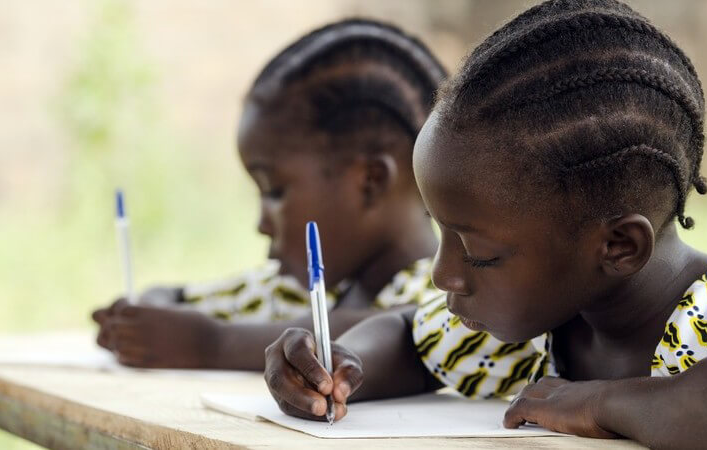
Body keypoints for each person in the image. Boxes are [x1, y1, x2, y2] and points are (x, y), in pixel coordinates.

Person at [262, 2, 707, 448]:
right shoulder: (548, 318)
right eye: (441, 231)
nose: (442, 275)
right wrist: (338, 367)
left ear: (619, 245)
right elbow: (410, 338)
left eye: (480, 254)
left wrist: (593, 404)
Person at [92, 18, 447, 370]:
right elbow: (175, 297)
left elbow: (405, 331)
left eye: (275, 192)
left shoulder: (446, 296)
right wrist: (144, 318)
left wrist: (212, 344)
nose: (261, 224)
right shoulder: (288, 294)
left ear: (370, 181)